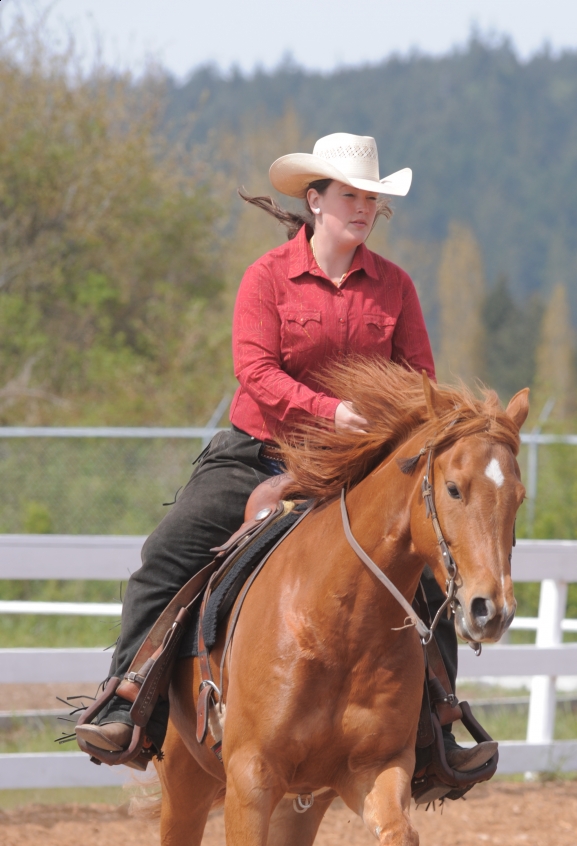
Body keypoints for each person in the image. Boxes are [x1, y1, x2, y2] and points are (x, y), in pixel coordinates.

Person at [76, 132, 493, 771]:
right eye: (349, 195)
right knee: (169, 552)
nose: (363, 208)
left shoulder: (396, 288)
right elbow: (255, 370)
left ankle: (437, 725)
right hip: (258, 452)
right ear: (315, 199)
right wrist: (331, 411)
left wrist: (391, 426)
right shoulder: (268, 276)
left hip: (358, 466)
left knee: (430, 569)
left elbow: (420, 384)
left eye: (371, 199)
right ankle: (128, 700)